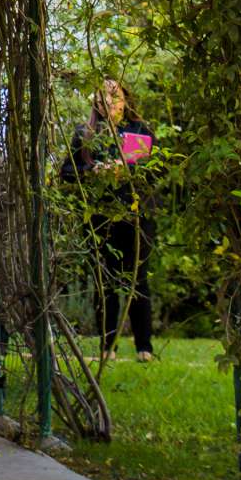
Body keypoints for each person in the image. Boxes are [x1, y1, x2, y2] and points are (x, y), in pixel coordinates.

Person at [62, 78, 158, 362]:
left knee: (137, 279)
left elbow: (154, 171)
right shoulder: (86, 134)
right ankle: (108, 346)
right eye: (104, 99)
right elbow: (67, 171)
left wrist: (126, 170)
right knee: (105, 280)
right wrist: (92, 171)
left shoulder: (140, 130)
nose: (110, 104)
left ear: (125, 99)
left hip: (136, 214)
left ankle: (145, 346)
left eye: (115, 98)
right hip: (100, 216)